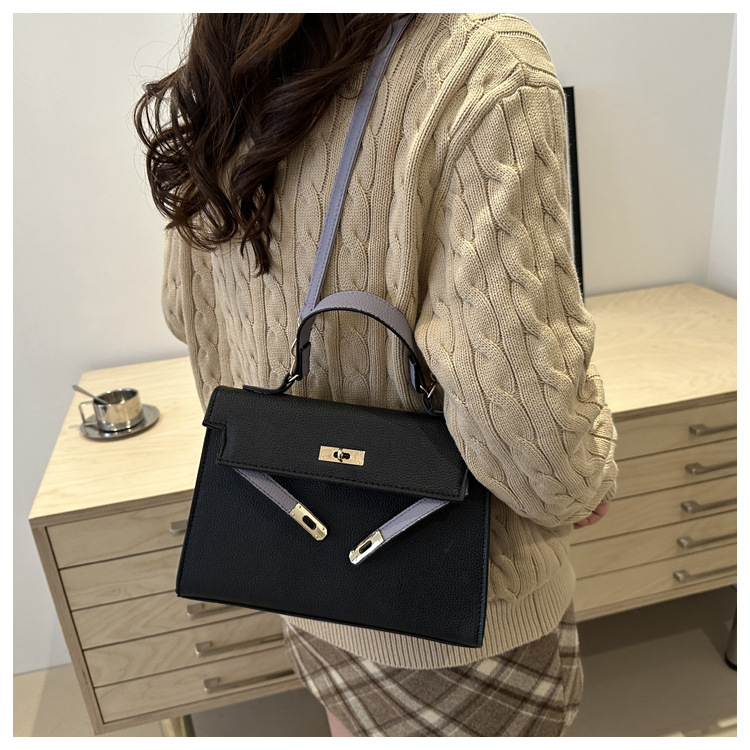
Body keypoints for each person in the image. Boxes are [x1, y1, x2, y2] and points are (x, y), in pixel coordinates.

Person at [135, 13, 618, 737]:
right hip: (459, 610)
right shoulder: (483, 63)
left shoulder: (234, 51)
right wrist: (583, 476)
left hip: (299, 552)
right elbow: (522, 406)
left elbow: (189, 311)